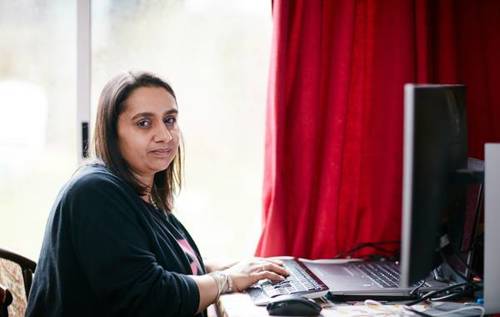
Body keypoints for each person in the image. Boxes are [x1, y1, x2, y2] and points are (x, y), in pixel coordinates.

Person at [26, 71, 288, 317]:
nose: (164, 135)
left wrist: (241, 268)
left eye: (170, 120)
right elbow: (150, 297)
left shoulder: (140, 192)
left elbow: (160, 267)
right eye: (144, 123)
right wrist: (227, 281)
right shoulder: (94, 193)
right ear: (112, 133)